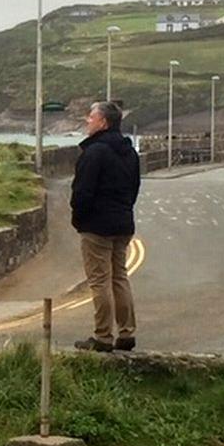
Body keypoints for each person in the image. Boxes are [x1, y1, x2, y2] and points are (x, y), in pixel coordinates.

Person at [71, 101, 141, 352]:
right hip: (123, 222)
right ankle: (126, 332)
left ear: (103, 122)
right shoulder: (130, 152)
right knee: (119, 277)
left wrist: (78, 218)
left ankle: (103, 336)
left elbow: (82, 192)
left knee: (99, 280)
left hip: (97, 225)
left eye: (91, 117)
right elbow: (134, 189)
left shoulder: (94, 152)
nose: (87, 121)